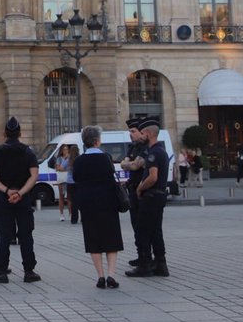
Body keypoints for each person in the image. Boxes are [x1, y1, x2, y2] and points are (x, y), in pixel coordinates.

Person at [0, 116, 40, 283]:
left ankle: (1, 271)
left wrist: (7, 191)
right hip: (23, 199)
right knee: (26, 235)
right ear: (20, 133)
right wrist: (20, 193)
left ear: (4, 134)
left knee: (3, 236)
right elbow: (34, 175)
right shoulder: (28, 151)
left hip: (4, 199)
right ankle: (29, 271)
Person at [69, 125, 124, 288]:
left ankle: (100, 276)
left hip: (88, 204)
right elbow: (110, 176)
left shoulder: (79, 161)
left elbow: (76, 178)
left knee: (93, 239)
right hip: (108, 202)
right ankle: (111, 275)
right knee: (111, 239)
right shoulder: (106, 158)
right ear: (97, 141)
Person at [125, 118, 170, 278]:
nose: (141, 135)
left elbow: (153, 177)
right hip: (159, 195)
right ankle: (160, 264)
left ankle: (145, 265)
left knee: (143, 230)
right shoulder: (161, 151)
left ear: (149, 134)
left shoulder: (153, 153)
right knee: (155, 231)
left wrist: (140, 187)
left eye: (142, 132)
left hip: (151, 196)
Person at [119, 118, 146, 266]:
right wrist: (129, 164)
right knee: (135, 224)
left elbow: (134, 166)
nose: (130, 134)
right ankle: (140, 255)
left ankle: (146, 257)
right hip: (132, 189)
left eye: (133, 131)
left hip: (142, 190)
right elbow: (124, 164)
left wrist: (128, 164)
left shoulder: (144, 148)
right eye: (129, 131)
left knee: (143, 225)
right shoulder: (132, 147)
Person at [63, 142, 81, 225]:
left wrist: (66, 157)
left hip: (70, 182)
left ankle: (74, 219)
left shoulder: (69, 159)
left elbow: (62, 166)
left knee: (73, 201)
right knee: (80, 200)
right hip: (79, 182)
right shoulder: (80, 158)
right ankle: (83, 218)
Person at [54, 144, 71, 222]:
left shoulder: (70, 158)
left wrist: (62, 168)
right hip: (61, 179)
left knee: (69, 197)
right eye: (64, 149)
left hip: (69, 179)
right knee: (61, 196)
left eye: (67, 149)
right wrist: (64, 168)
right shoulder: (59, 158)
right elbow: (58, 168)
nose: (65, 151)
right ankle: (61, 214)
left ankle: (70, 213)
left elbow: (70, 168)